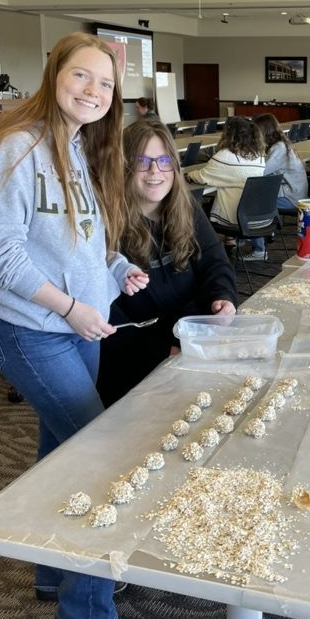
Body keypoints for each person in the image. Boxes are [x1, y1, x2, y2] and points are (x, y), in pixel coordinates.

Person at [0, 32, 151, 619]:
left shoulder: (74, 144)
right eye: (81, 77)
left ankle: (50, 571)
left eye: (105, 83)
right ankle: (86, 612)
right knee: (98, 459)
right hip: (33, 330)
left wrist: (116, 270)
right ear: (54, 75)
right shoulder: (16, 148)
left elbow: (79, 239)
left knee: (61, 453)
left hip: (77, 326)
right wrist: (71, 305)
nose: (93, 91)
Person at [97, 120, 238, 406]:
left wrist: (223, 297)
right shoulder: (106, 223)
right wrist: (164, 352)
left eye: (163, 161)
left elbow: (214, 262)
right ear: (124, 166)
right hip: (137, 362)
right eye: (142, 161)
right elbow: (108, 317)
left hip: (190, 342)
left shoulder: (185, 207)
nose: (155, 172)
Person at [185, 115, 265, 250]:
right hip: (258, 214)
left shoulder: (225, 156)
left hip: (236, 217)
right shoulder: (259, 156)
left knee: (199, 207)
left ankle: (203, 250)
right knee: (228, 193)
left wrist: (188, 175)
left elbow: (202, 177)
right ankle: (230, 241)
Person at [249, 113, 308, 257]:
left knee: (252, 203)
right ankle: (253, 235)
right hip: (292, 192)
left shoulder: (278, 149)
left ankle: (259, 250)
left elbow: (260, 172)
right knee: (252, 195)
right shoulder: (280, 144)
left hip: (291, 197)